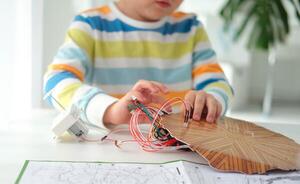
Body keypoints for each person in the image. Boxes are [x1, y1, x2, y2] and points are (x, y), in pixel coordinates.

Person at [43, 0, 233, 130]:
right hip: (111, 147)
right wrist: (109, 110)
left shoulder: (191, 28)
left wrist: (211, 100)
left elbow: (218, 83)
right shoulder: (90, 25)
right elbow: (55, 83)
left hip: (177, 148)